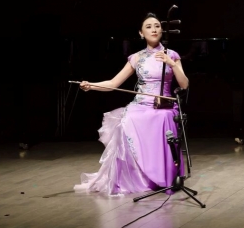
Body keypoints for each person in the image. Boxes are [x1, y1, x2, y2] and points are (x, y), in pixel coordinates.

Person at [74, 12, 189, 196]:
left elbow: (184, 84)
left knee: (163, 117)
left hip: (164, 106)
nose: (154, 29)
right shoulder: (136, 58)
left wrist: (172, 64)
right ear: (141, 33)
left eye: (157, 26)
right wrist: (91, 86)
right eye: (149, 27)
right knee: (126, 121)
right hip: (141, 105)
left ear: (162, 30)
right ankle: (136, 178)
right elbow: (113, 83)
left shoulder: (172, 55)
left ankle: (163, 176)